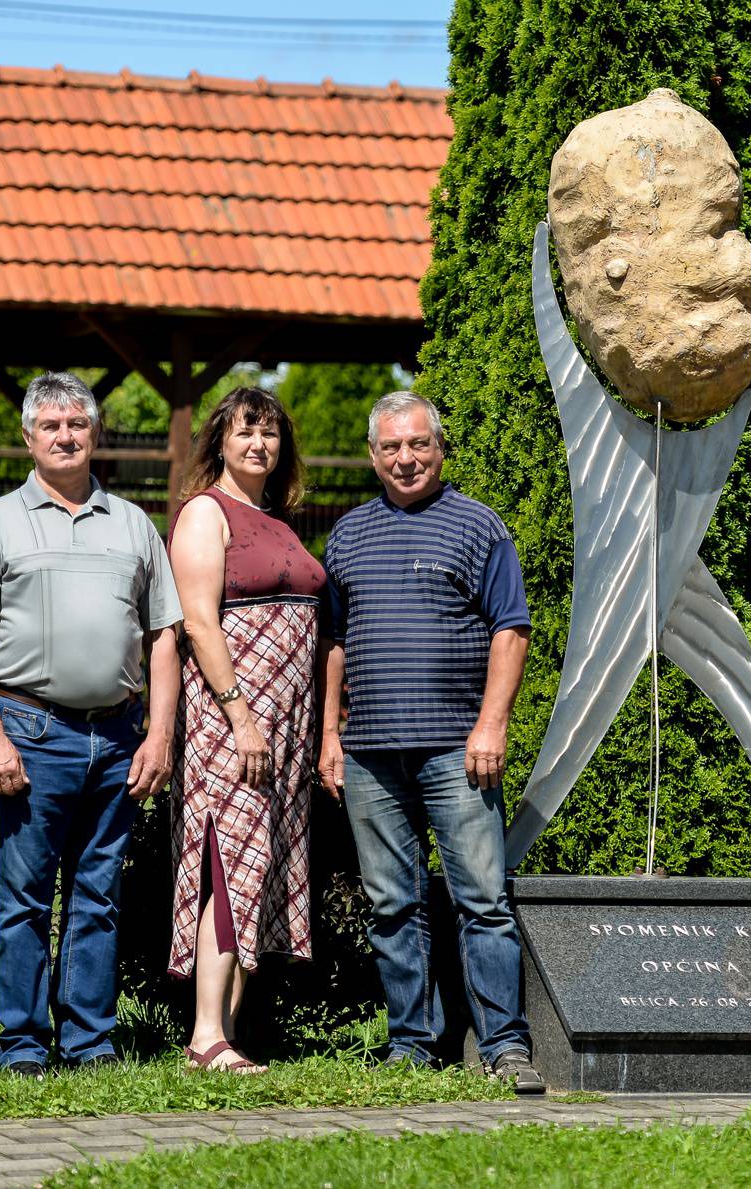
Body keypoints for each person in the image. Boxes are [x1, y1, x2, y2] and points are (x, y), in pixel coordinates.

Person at [0, 372, 181, 1078]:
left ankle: (88, 1041)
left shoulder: (134, 523)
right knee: (24, 897)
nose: (65, 435)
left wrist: (161, 732)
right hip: (30, 730)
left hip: (116, 736)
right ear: (28, 437)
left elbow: (165, 634)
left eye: (77, 423)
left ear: (94, 433)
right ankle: (23, 1044)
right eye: (51, 425)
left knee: (98, 892)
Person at [316, 390, 544, 1094]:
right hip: (371, 752)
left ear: (441, 449)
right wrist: (329, 732)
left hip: (456, 748)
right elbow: (334, 642)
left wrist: (491, 723)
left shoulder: (479, 526)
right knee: (392, 905)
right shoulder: (348, 536)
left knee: (482, 900)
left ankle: (505, 1044)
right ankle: (413, 1043)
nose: (406, 458)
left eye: (419, 444)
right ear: (373, 455)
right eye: (392, 447)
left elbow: (512, 627)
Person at [165, 387, 326, 1075]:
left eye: (269, 433)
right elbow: (198, 621)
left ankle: (224, 1031)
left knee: (259, 865)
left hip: (282, 729)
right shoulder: (206, 512)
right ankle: (205, 1033)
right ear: (219, 443)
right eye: (244, 432)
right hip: (237, 723)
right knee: (226, 862)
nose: (258, 444)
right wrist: (240, 716)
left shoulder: (277, 520)